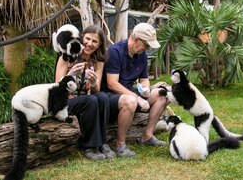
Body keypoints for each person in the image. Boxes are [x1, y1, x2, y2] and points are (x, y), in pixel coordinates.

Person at [101, 22, 167, 157]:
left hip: (130, 92)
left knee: (162, 94)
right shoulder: (114, 51)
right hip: (110, 95)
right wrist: (137, 98)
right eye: (147, 45)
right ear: (136, 39)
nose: (148, 48)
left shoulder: (141, 55)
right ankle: (120, 145)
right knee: (131, 101)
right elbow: (112, 84)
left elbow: (144, 79)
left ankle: (147, 136)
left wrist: (146, 89)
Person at [55, 24, 115, 160]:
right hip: (65, 102)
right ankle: (89, 146)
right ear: (82, 38)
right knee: (91, 100)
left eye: (95, 41)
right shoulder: (67, 55)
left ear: (99, 45)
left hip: (85, 100)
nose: (89, 44)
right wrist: (69, 75)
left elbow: (96, 90)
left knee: (102, 96)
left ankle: (102, 142)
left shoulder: (98, 60)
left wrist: (93, 82)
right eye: (87, 39)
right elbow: (57, 88)